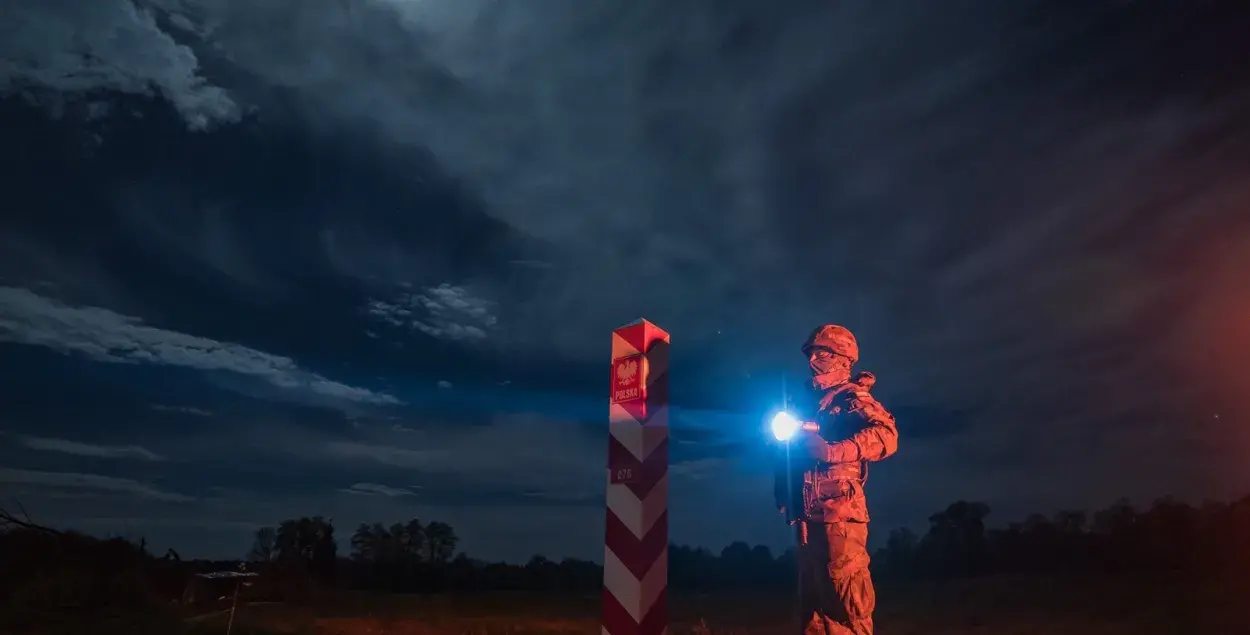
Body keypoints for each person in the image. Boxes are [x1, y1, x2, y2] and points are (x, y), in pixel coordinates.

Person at [774, 324, 899, 635]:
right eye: (811, 353)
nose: (814, 359)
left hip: (840, 517)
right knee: (813, 609)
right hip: (807, 516)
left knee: (846, 604)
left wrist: (833, 451)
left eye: (822, 353)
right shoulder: (809, 405)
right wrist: (783, 485)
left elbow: (887, 436)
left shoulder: (852, 397)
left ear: (843, 358)